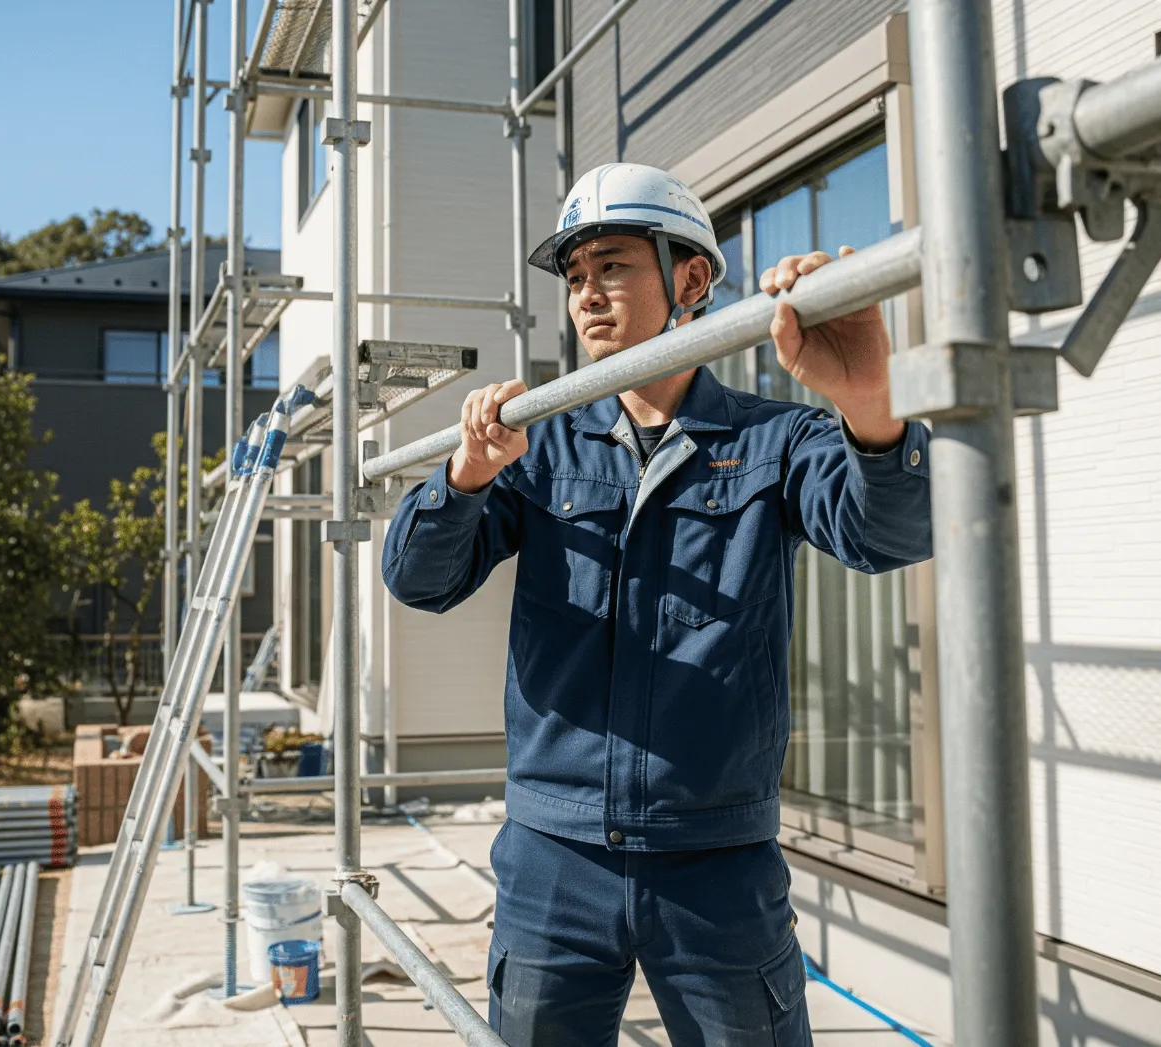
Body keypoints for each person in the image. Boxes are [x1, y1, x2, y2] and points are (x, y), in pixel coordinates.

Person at [380, 163, 933, 1046]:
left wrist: (869, 405)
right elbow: (418, 579)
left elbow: (891, 536)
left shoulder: (775, 439)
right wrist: (464, 477)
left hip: (713, 862)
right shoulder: (537, 441)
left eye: (612, 266)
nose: (587, 294)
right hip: (553, 858)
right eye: (573, 277)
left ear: (693, 277)